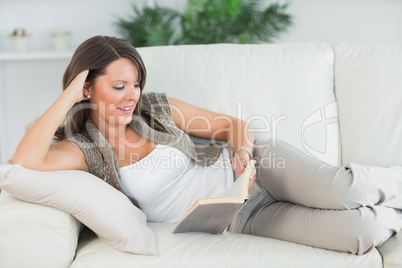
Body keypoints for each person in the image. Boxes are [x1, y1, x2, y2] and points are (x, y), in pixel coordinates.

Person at [12, 36, 402, 255]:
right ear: (86, 87)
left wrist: (242, 156)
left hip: (258, 170)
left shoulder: (157, 108)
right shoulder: (84, 150)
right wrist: (69, 95)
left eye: (136, 83)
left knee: (348, 190)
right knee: (361, 232)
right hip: (235, 217)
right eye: (118, 86)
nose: (132, 95)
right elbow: (23, 163)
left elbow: (232, 125)